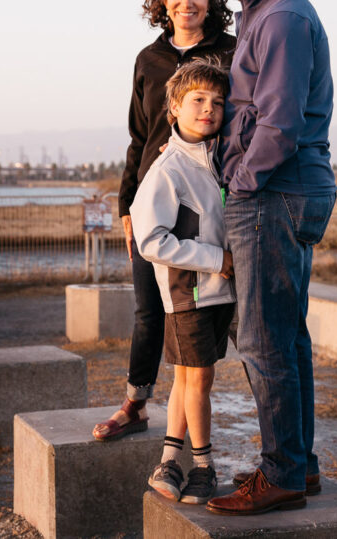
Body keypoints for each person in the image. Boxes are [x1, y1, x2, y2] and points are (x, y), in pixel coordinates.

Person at [205, 0, 337, 516]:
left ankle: (281, 474)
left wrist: (239, 182)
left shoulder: (280, 17)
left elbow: (278, 123)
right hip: (290, 190)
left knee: (262, 342)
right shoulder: (271, 13)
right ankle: (299, 466)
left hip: (274, 192)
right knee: (288, 338)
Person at [92, 0, 235, 441]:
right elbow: (138, 137)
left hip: (207, 196)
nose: (187, 2)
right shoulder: (148, 59)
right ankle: (135, 402)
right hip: (153, 197)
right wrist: (126, 206)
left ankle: (194, 425)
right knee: (148, 309)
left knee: (202, 314)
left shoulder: (230, 53)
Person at [130, 60, 236, 504]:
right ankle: (204, 467)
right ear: (173, 108)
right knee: (200, 381)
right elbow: (150, 240)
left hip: (215, 293)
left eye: (216, 102)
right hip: (190, 295)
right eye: (197, 100)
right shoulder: (168, 168)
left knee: (188, 381)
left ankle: (169, 463)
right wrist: (217, 260)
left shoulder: (215, 158)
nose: (208, 109)